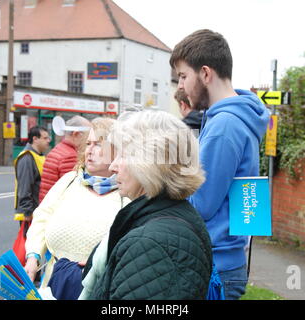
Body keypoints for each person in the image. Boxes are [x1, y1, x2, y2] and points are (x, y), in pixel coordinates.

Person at [170, 29, 270, 300]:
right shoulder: (235, 118)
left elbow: (200, 205)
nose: (180, 86)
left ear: (205, 73)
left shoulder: (224, 125)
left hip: (215, 267)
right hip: (223, 262)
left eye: (183, 76)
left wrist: (163, 183)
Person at [79, 110, 212, 300]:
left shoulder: (150, 244)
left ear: (149, 162)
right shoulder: (170, 215)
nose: (112, 166)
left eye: (122, 155)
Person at [24, 118, 125, 300]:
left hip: (101, 289)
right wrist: (33, 257)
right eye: (88, 144)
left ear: (118, 150)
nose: (90, 150)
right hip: (55, 286)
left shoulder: (128, 190)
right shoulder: (69, 180)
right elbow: (42, 217)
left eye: (98, 144)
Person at [38, 116, 92, 203]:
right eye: (87, 136)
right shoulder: (70, 156)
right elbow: (73, 192)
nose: (88, 141)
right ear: (76, 134)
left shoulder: (57, 150)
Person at [14, 126, 51, 224]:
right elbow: (24, 187)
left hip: (38, 210)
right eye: (45, 138)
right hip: (31, 213)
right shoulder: (27, 157)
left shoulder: (39, 155)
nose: (48, 140)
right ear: (35, 139)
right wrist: (27, 212)